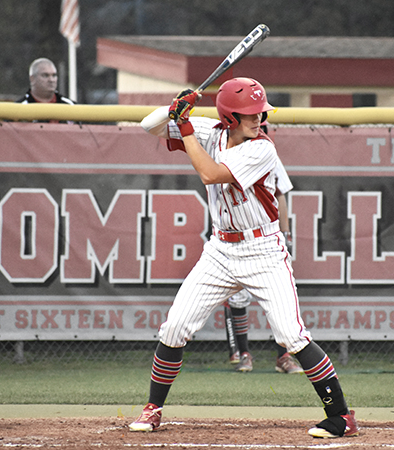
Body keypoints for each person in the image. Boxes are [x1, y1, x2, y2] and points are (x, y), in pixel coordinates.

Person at [130, 77, 358, 439]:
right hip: (220, 250)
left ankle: (340, 417)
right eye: (250, 113)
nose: (259, 118)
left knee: (291, 334)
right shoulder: (209, 130)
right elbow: (149, 125)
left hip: (263, 250)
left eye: (260, 111)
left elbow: (210, 173)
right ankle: (154, 408)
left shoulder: (262, 148)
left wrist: (185, 123)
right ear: (229, 117)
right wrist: (177, 105)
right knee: (175, 326)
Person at [228, 150, 303, 374]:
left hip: (267, 240)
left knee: (279, 300)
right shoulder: (226, 154)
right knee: (238, 298)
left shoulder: (268, 155)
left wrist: (286, 235)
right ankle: (244, 354)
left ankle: (284, 356)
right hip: (237, 238)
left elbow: (280, 196)